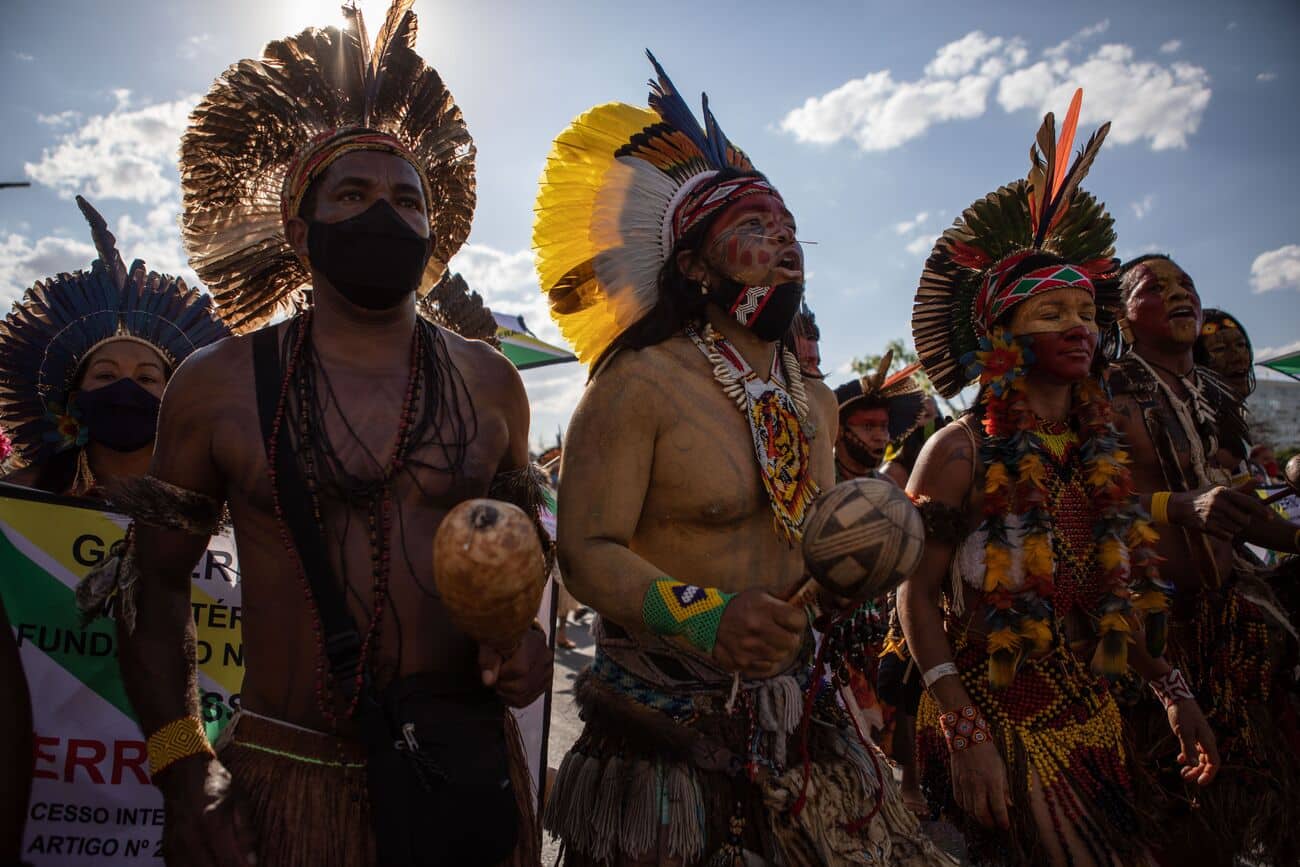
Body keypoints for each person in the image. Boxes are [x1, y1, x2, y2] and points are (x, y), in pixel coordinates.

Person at [98, 5, 551, 866]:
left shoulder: (491, 384)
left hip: (458, 774)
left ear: (433, 231)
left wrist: (519, 639)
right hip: (284, 782)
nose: (384, 212)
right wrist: (185, 771)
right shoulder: (217, 386)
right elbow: (149, 591)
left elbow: (519, 554)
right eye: (353, 194)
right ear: (300, 232)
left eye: (406, 199)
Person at [535, 52, 952, 866]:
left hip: (802, 722)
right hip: (665, 739)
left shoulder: (814, 399)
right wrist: (705, 615)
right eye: (758, 231)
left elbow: (814, 545)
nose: (786, 245)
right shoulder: (637, 385)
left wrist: (860, 562)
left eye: (791, 230)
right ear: (693, 265)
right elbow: (583, 552)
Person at [899, 94, 1221, 867]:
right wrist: (961, 724)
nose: (1079, 326)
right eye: (1052, 311)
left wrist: (1173, 692)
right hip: (994, 723)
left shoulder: (1099, 449)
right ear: (1004, 335)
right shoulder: (959, 451)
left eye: (1084, 308)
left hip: (1097, 721)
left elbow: (1117, 596)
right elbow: (913, 596)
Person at [1108, 254, 1300, 865]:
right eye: (1154, 287)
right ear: (1122, 314)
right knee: (1181, 826)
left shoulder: (1213, 395)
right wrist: (1176, 505)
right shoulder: (1103, 391)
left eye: (1186, 283)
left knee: (1273, 804)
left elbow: (1240, 505)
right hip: (1152, 636)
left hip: (1235, 627)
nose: (1178, 293)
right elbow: (1076, 508)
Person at [0, 196, 229, 498]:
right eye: (106, 376)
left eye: (146, 378)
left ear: (175, 398)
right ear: (72, 397)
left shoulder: (211, 510)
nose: (125, 389)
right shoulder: (19, 498)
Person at [832, 351, 927, 484]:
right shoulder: (812, 485)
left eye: (884, 426)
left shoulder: (889, 487)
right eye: (868, 426)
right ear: (839, 430)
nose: (880, 437)